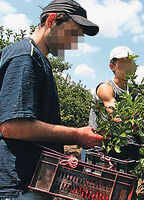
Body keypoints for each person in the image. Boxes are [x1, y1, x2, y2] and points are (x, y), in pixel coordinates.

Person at [0, 0, 104, 199]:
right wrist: (75, 135)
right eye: (71, 34)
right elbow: (13, 126)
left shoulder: (37, 59)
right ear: (51, 20)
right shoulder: (25, 57)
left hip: (30, 182)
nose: (73, 44)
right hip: (17, 187)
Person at [82, 46, 143, 162]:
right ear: (112, 66)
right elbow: (116, 115)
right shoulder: (106, 88)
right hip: (100, 151)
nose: (127, 67)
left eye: (130, 62)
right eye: (122, 63)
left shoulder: (134, 93)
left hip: (125, 151)